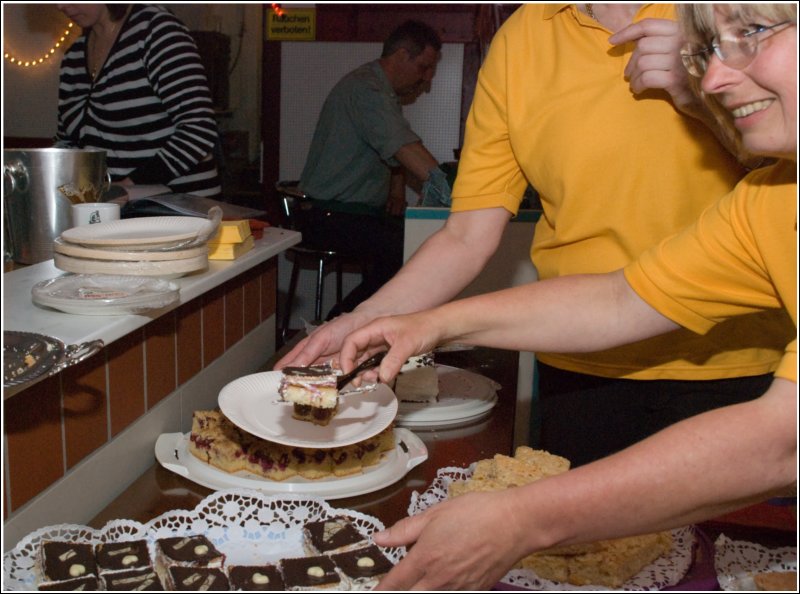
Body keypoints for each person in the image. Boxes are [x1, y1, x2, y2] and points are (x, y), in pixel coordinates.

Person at [337, 4, 796, 589]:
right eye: (711, 48)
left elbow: (782, 441)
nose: (712, 78)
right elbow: (620, 301)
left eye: (750, 34)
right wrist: (415, 325)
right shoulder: (767, 204)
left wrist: (522, 520)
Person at [297, 19, 449, 319]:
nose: (428, 78)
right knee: (415, 249)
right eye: (424, 67)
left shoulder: (376, 88)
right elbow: (405, 148)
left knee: (410, 244)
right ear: (402, 55)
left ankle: (356, 321)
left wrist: (395, 188)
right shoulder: (367, 91)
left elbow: (390, 149)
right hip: (330, 215)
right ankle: (342, 322)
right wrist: (455, 190)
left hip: (344, 212)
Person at [54, 4, 221, 197]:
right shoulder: (72, 57)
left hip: (181, 208)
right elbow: (68, 141)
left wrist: (129, 187)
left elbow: (199, 128)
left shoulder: (156, 31)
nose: (60, 6)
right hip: (118, 211)